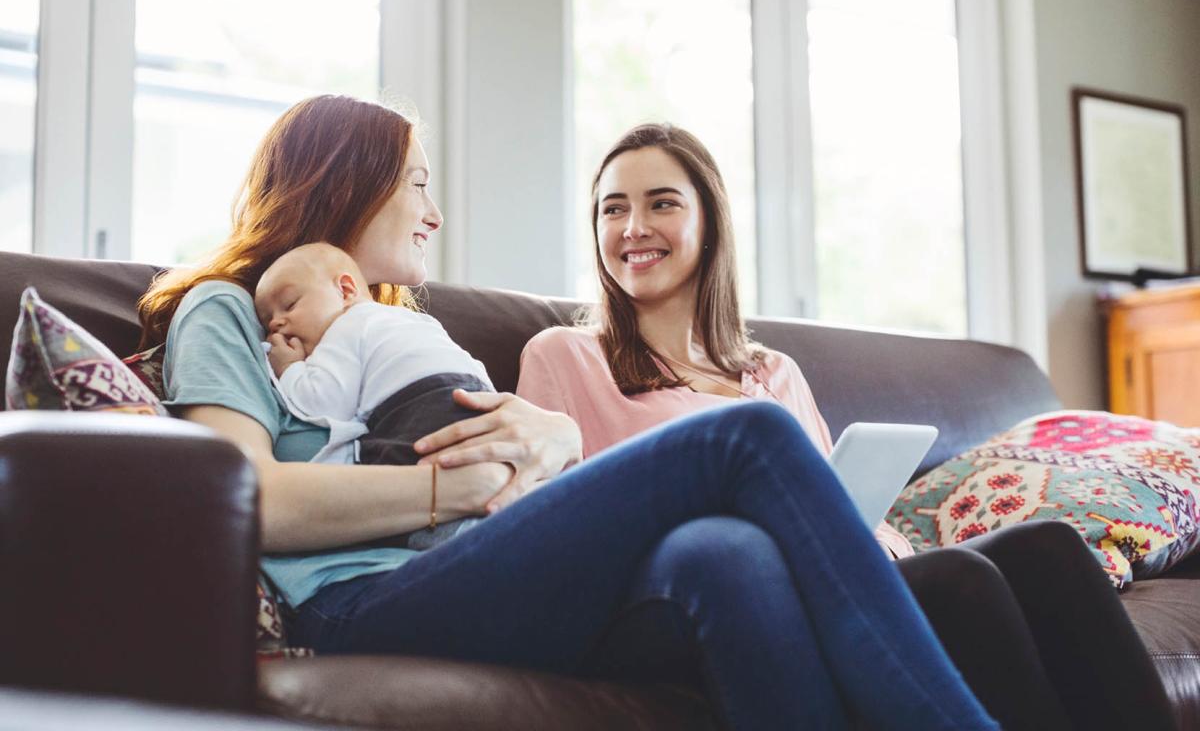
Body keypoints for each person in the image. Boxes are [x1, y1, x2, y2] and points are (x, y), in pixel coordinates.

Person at [139, 94, 1001, 730]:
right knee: (747, 433)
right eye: (417, 185)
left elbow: (522, 469)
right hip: (359, 598)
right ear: (348, 183)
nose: (433, 215)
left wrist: (549, 443)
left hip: (466, 568)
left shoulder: (400, 332)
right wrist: (456, 489)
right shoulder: (226, 307)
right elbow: (248, 501)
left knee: (724, 554)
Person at [515, 121, 1175, 731]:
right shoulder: (565, 355)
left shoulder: (770, 373)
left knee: (1047, 547)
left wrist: (879, 549)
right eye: (613, 207)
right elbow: (552, 528)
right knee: (958, 583)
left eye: (662, 203)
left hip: (835, 571)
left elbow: (846, 500)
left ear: (710, 223)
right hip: (722, 587)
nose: (633, 225)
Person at [253, 241, 492, 549]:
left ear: (346, 290)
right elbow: (474, 366)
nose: (275, 323)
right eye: (266, 319)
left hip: (419, 411)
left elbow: (321, 403)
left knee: (397, 506)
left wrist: (291, 368)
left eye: (289, 304)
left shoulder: (346, 326)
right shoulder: (415, 321)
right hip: (478, 403)